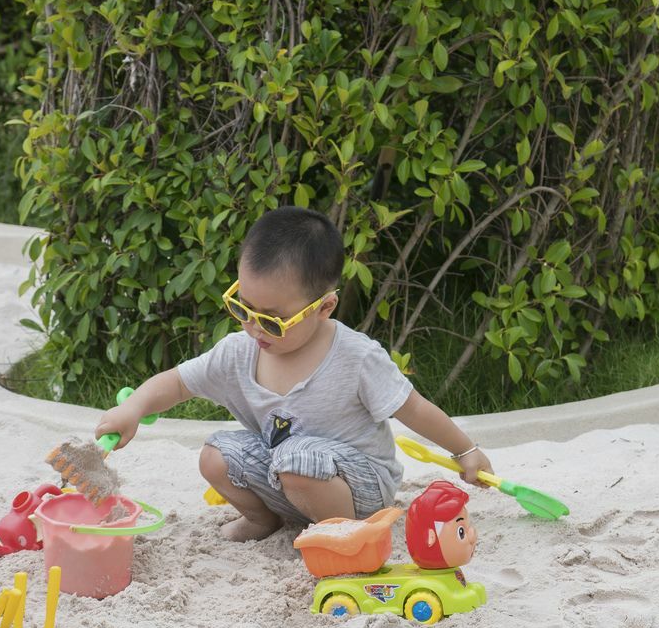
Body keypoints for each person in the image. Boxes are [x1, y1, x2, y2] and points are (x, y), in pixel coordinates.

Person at [99, 206, 492, 541]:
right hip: (286, 477)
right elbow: (179, 382)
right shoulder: (241, 351)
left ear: (325, 307)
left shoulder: (356, 358)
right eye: (243, 308)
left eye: (272, 320)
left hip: (359, 488)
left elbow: (415, 409)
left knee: (296, 457)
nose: (254, 328)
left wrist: (466, 450)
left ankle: (344, 533)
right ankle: (263, 518)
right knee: (216, 454)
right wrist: (133, 408)